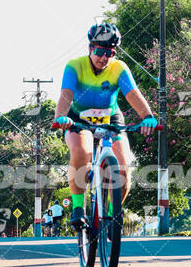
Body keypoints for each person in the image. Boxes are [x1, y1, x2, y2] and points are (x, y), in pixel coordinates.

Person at [53, 21, 157, 230]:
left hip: (111, 118)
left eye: (110, 53)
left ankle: (111, 216)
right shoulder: (75, 65)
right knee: (82, 151)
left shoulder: (119, 68)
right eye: (100, 51)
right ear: (90, 48)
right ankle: (78, 208)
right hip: (78, 119)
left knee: (124, 166)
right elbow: (66, 94)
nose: (104, 58)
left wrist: (148, 116)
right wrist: (61, 117)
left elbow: (133, 95)